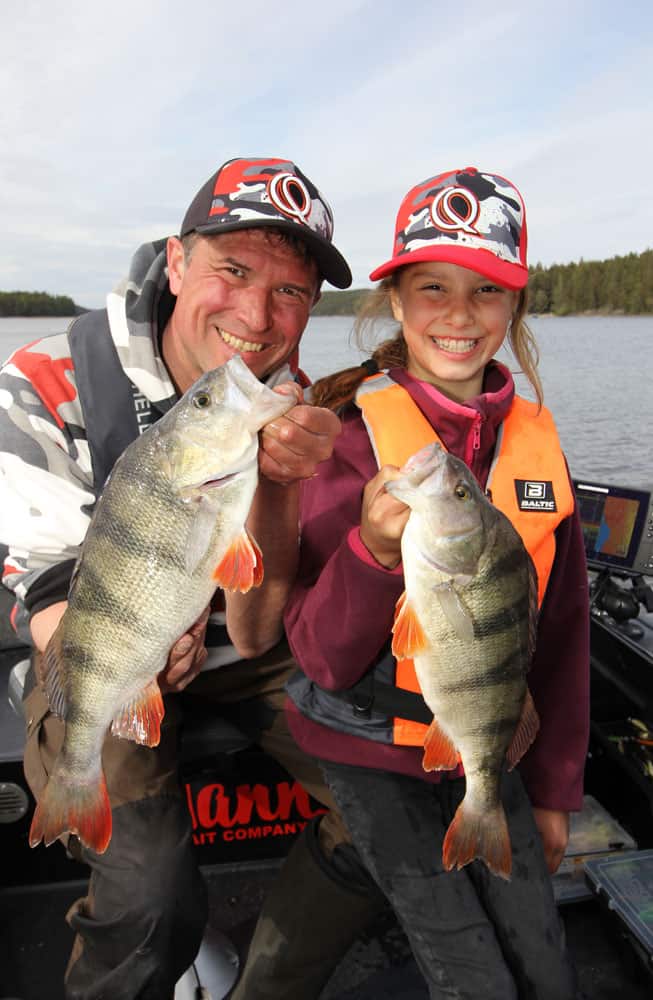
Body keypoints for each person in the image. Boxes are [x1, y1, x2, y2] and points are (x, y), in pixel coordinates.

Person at [0, 156, 384, 1000]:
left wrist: (279, 490)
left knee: (395, 808)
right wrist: (135, 662)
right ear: (176, 264)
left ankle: (269, 986)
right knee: (148, 890)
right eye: (234, 271)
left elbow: (255, 631)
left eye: (290, 291)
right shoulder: (41, 382)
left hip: (243, 651)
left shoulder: (294, 403)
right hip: (100, 648)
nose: (257, 313)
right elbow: (52, 594)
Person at [283, 166, 590, 998]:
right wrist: (372, 556)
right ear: (395, 301)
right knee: (467, 965)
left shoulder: (537, 445)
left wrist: (558, 787)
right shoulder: (347, 439)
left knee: (542, 954)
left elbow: (561, 635)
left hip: (487, 740)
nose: (458, 315)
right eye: (431, 288)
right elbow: (319, 657)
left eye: (486, 290)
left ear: (513, 308)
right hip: (366, 744)